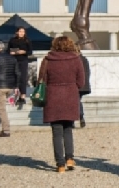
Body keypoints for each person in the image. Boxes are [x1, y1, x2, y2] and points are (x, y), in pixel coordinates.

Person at [40, 36, 85, 173]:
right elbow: (81, 81)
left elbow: (41, 79)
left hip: (53, 96)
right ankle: (70, 158)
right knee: (68, 129)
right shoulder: (76, 59)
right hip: (70, 96)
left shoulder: (47, 60)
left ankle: (60, 164)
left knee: (56, 132)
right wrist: (71, 87)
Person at [0, 40, 20, 137]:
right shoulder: (12, 58)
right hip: (10, 86)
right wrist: (16, 85)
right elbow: (17, 73)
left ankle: (6, 130)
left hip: (0, 85)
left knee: (1, 109)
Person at [8, 26, 32, 104]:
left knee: (23, 78)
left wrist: (24, 52)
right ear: (17, 32)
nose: (21, 33)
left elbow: (30, 51)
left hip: (23, 60)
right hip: (14, 60)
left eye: (23, 32)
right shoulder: (12, 40)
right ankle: (15, 94)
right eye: (20, 31)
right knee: (14, 77)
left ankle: (23, 96)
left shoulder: (27, 40)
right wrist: (12, 52)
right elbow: (8, 50)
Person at [77, 48, 91, 128]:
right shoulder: (84, 59)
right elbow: (88, 72)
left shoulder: (75, 60)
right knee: (77, 100)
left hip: (78, 84)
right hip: (84, 84)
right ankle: (80, 117)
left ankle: (80, 116)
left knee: (76, 101)